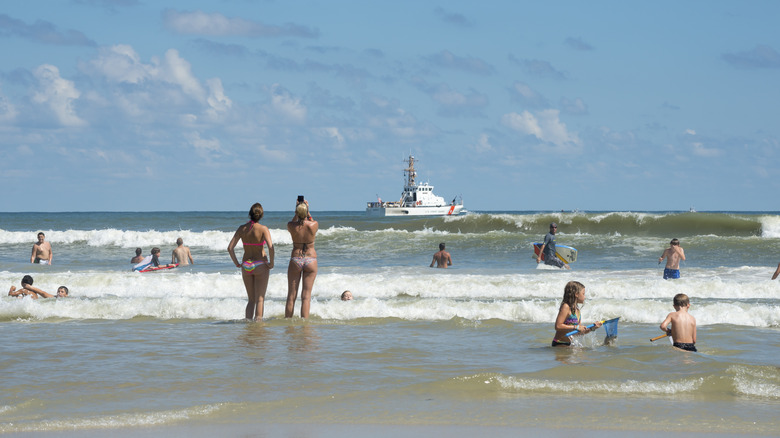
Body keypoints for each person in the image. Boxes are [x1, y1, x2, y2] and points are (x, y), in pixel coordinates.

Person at [228, 203, 274, 321]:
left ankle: (248, 327)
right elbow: (270, 247)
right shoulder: (263, 229)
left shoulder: (242, 228)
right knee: (260, 299)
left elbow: (230, 248)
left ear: (250, 214)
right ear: (261, 215)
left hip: (246, 265)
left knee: (251, 300)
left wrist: (237, 263)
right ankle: (258, 329)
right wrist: (271, 263)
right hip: (260, 264)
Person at [285, 200, 318, 318]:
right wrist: (307, 210)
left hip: (296, 259)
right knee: (306, 297)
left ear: (296, 212)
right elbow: (311, 220)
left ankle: (288, 323)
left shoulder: (291, 226)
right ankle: (304, 325)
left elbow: (293, 222)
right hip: (310, 259)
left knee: (291, 295)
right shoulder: (313, 225)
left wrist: (297, 211)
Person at [551, 281, 602, 347]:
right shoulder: (566, 307)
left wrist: (592, 328)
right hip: (560, 344)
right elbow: (558, 326)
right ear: (576, 294)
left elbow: (579, 332)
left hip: (570, 344)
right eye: (583, 294)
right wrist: (576, 327)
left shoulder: (577, 311)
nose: (585, 296)